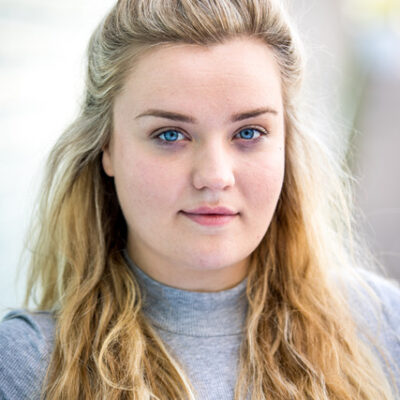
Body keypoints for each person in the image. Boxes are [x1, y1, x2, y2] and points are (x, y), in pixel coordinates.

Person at [0, 0, 399, 399]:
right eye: (170, 134)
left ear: (286, 144)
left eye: (249, 133)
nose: (214, 177)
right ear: (107, 147)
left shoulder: (380, 325)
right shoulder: (26, 365)